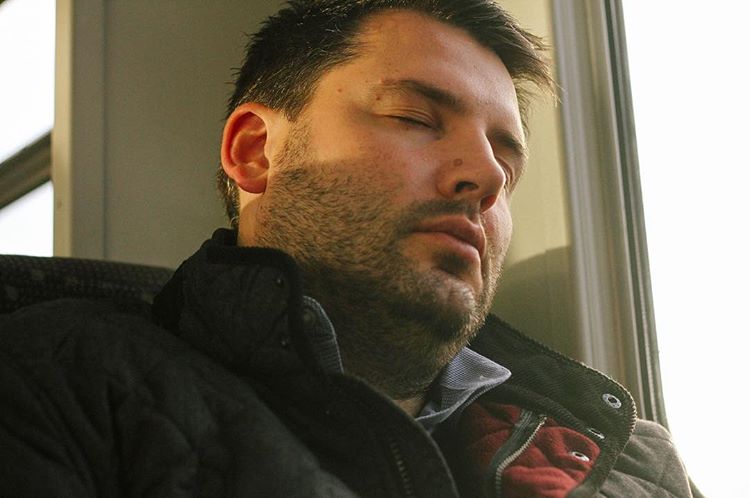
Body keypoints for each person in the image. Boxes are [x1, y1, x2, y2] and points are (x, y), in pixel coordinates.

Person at [0, 1, 696, 496]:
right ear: (256, 153)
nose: (486, 179)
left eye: (507, 165)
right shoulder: (57, 381)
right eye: (415, 117)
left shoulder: (634, 463)